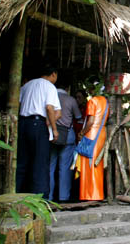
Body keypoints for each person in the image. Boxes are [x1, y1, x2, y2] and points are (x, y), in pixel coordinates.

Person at [16, 64, 61, 199]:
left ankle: (16, 195)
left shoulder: (27, 85)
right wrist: (54, 129)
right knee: (40, 162)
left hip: (23, 123)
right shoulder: (49, 87)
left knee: (22, 162)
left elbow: (17, 104)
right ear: (53, 74)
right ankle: (40, 198)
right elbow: (49, 108)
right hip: (38, 124)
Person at [50, 82, 82, 202]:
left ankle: (48, 197)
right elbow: (78, 117)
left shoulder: (49, 97)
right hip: (67, 136)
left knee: (50, 167)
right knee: (65, 168)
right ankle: (63, 197)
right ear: (67, 88)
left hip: (51, 136)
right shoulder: (70, 100)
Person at [77, 84, 109, 201]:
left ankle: (89, 194)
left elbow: (90, 121)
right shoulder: (106, 102)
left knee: (88, 163)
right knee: (97, 163)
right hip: (101, 133)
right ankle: (98, 193)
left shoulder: (92, 101)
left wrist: (82, 132)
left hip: (91, 134)